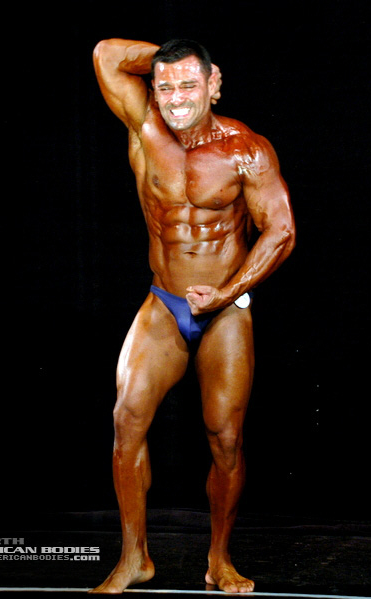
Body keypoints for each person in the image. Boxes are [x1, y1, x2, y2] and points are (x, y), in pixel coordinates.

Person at [91, 39, 295, 593]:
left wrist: (227, 293)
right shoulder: (144, 128)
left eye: (189, 84)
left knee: (225, 438)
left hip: (226, 311)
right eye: (165, 86)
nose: (176, 97)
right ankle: (134, 557)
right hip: (164, 301)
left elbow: (281, 232)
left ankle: (219, 560)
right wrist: (173, 59)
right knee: (127, 418)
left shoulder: (246, 149)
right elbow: (106, 54)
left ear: (213, 84)